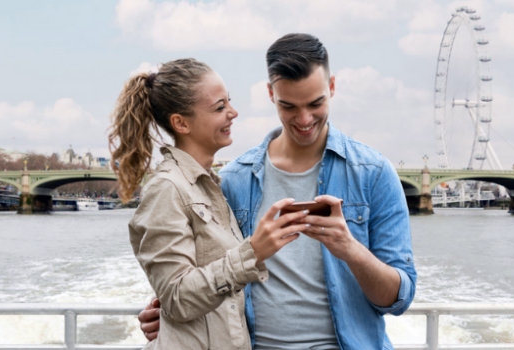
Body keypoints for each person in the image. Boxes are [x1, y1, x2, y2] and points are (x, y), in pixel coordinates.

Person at [138, 35, 417, 349]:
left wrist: (350, 249)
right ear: (271, 94)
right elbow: (212, 274)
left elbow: (398, 300)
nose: (304, 119)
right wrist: (172, 310)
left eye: (316, 103)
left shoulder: (375, 174)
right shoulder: (233, 180)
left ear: (333, 87)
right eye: (289, 106)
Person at [109, 58, 312, 350]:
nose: (233, 112)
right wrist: (253, 252)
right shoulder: (167, 187)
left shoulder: (210, 185)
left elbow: (185, 290)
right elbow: (177, 297)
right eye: (219, 107)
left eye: (229, 101)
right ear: (181, 123)